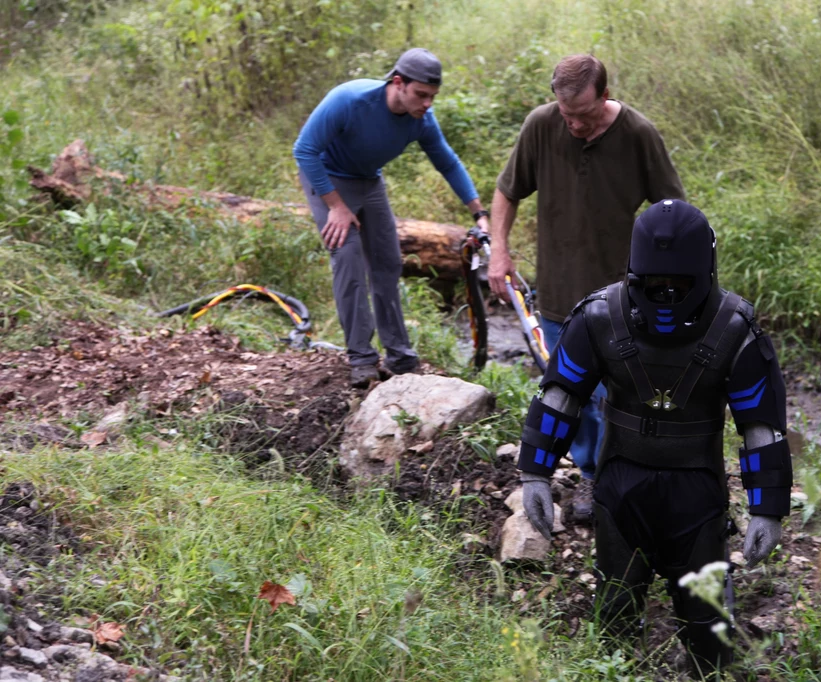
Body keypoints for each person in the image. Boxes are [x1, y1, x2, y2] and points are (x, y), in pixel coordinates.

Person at [515, 200, 792, 675]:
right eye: (653, 286)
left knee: (710, 634)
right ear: (633, 270)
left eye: (678, 287)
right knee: (615, 618)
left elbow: (761, 427)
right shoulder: (598, 317)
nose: (665, 296)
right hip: (621, 489)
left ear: (703, 273)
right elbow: (561, 395)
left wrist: (768, 509)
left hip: (697, 497)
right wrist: (534, 473)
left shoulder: (736, 331)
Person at [487, 54, 685, 520]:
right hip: (557, 295)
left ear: (605, 95)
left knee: (614, 395)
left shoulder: (638, 134)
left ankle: (615, 481)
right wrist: (500, 250)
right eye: (566, 114)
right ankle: (592, 475)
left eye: (584, 115)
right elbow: (508, 191)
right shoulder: (541, 125)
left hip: (620, 296)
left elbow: (672, 211)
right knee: (570, 392)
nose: (573, 124)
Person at [294, 48, 491, 386]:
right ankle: (361, 358)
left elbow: (448, 163)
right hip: (327, 179)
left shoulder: (421, 121)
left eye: (432, 96)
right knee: (348, 257)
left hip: (370, 181)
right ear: (398, 83)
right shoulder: (350, 100)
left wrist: (480, 214)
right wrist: (337, 206)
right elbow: (304, 150)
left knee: (387, 262)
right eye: (421, 94)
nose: (427, 103)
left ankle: (400, 355)